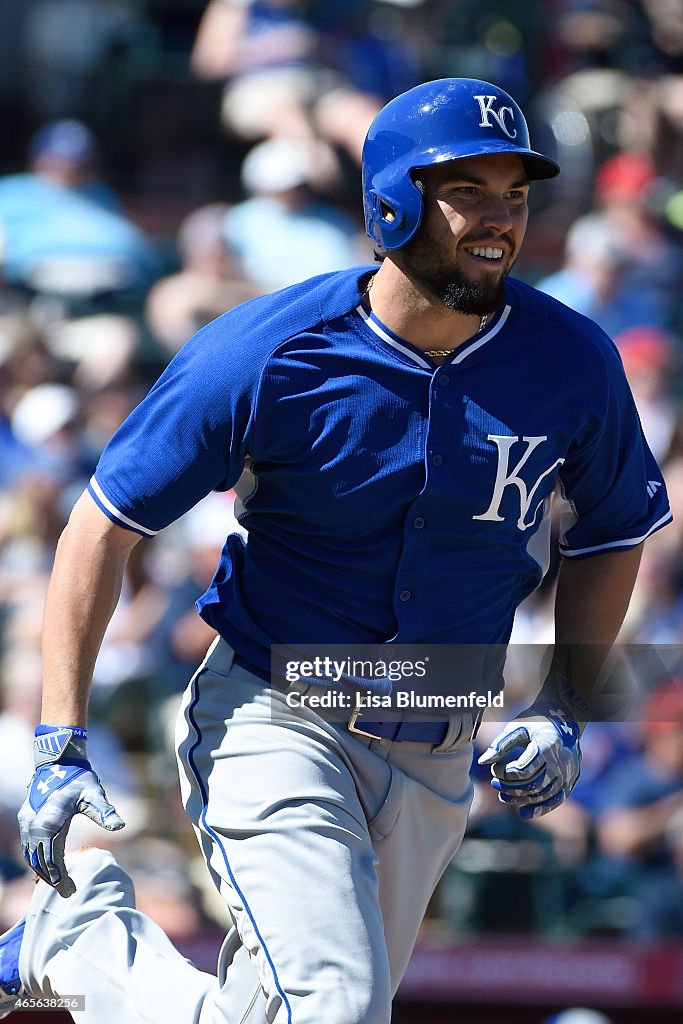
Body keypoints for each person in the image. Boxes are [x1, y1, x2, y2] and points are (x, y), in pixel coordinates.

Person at [1, 78, 671, 1023]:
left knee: (275, 1017)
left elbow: (613, 532)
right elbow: (102, 525)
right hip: (278, 714)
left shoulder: (570, 358)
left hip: (440, 744)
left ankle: (79, 949)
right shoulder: (268, 350)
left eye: (515, 195)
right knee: (335, 1009)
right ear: (390, 201)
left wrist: (566, 702)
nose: (499, 220)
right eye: (467, 191)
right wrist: (59, 739)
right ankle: (87, 946)